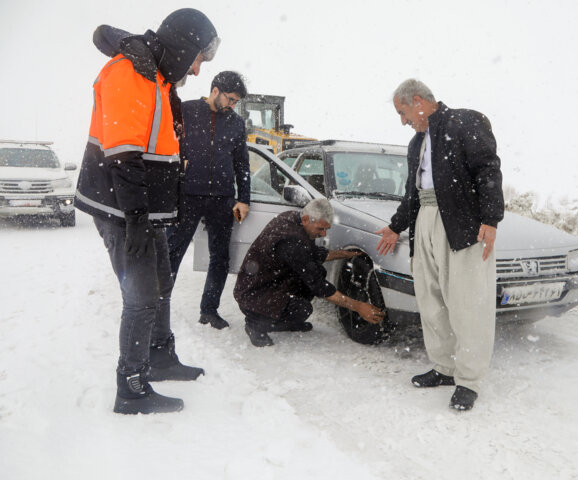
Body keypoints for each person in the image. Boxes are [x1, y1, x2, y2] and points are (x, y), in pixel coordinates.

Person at [74, 9, 220, 415]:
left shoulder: (154, 76)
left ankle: (158, 356)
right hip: (121, 206)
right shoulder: (129, 71)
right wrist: (137, 219)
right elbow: (122, 154)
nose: (195, 69)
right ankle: (132, 386)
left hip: (142, 208)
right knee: (140, 295)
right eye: (196, 58)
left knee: (161, 282)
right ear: (182, 46)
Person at [375, 79, 504, 411]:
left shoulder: (464, 121)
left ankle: (469, 380)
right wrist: (395, 226)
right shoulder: (415, 144)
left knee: (468, 302)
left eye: (403, 112)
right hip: (426, 221)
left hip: (462, 224)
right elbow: (412, 193)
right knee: (432, 300)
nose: (403, 120)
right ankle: (445, 368)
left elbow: (487, 169)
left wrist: (490, 218)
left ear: (418, 100)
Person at [234, 199, 386, 347]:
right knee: (302, 309)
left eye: (326, 229)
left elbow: (312, 253)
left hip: (262, 284)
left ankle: (279, 319)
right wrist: (359, 307)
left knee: (317, 271)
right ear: (306, 219)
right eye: (320, 229)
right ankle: (256, 324)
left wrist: (344, 254)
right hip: (253, 295)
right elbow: (319, 286)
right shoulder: (292, 241)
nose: (323, 234)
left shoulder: (294, 219)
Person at [166, 71, 251, 330]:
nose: (233, 105)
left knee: (220, 258)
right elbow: (167, 143)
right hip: (187, 194)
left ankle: (209, 310)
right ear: (215, 90)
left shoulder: (236, 123)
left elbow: (242, 163)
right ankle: (157, 305)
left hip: (222, 198)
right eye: (231, 99)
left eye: (237, 101)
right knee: (172, 253)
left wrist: (243, 198)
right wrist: (178, 163)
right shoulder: (186, 110)